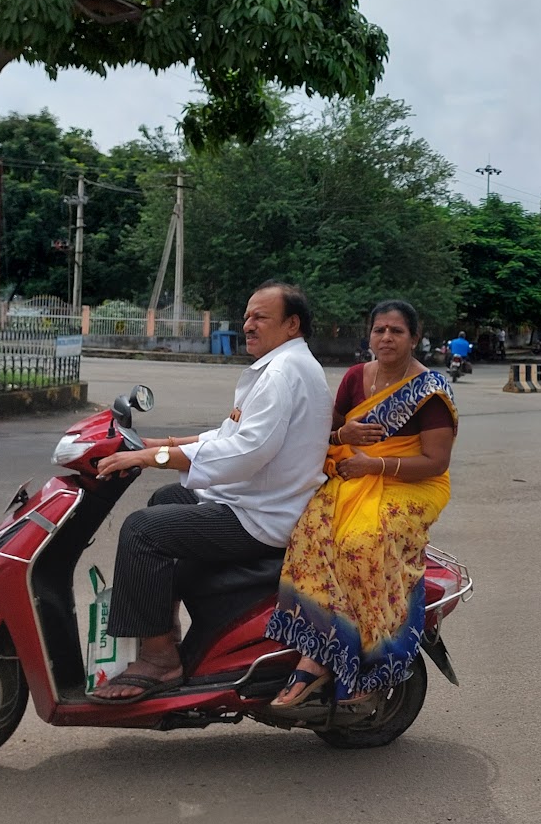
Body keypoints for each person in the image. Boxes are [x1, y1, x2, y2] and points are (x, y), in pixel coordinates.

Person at [89, 282, 332, 704]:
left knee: (143, 531)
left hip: (262, 516)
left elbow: (246, 452)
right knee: (166, 501)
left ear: (292, 324)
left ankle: (160, 659)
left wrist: (151, 460)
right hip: (255, 501)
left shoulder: (282, 372)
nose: (248, 325)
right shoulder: (280, 367)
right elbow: (228, 431)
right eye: (247, 316)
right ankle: (166, 627)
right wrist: (158, 445)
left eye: (261, 317)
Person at [268, 299, 459, 707]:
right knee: (309, 534)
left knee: (361, 546)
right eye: (379, 330)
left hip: (410, 483)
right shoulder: (356, 378)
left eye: (396, 331)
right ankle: (317, 652)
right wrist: (343, 435)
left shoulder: (430, 391)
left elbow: (435, 462)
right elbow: (327, 433)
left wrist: (374, 463)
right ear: (369, 335)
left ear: (415, 337)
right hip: (353, 474)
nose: (386, 338)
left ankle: (374, 664)